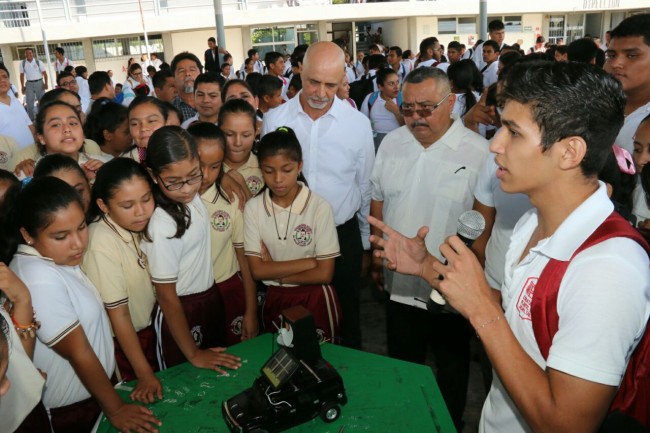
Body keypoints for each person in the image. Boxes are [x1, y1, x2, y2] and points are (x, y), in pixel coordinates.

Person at [369, 61, 649, 433]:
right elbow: (517, 312)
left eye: (513, 132)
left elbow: (566, 424)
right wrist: (426, 268)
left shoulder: (607, 267)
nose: (495, 145)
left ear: (569, 152)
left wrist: (482, 311)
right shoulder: (531, 223)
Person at [369, 66, 488, 430]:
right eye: (408, 109)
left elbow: (483, 228)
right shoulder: (392, 142)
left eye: (426, 108)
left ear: (451, 102)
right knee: (404, 366)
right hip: (399, 284)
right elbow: (377, 200)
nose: (416, 118)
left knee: (452, 371)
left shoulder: (479, 152)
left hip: (450, 288)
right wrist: (375, 259)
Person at [8, 176, 162, 433]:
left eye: (81, 227)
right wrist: (116, 409)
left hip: (94, 397)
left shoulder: (55, 262)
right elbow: (78, 351)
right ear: (27, 235)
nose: (78, 243)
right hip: (69, 412)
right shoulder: (38, 277)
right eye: (61, 236)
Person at [262, 41, 375, 348]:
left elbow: (364, 186)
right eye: (313, 82)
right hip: (288, 241)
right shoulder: (275, 120)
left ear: (343, 81)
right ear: (299, 70)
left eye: (331, 85)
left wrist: (364, 242)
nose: (321, 93)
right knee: (292, 325)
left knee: (347, 320)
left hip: (342, 237)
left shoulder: (358, 125)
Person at [142, 126, 242, 371]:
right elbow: (166, 296)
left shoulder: (189, 196)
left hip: (208, 298)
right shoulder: (162, 223)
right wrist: (194, 353)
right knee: (182, 378)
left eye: (194, 175)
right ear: (153, 175)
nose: (187, 188)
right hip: (180, 310)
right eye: (174, 182)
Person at [244, 127, 342, 341]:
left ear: (300, 167)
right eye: (269, 171)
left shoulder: (319, 207)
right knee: (277, 363)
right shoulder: (253, 208)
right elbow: (257, 271)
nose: (278, 179)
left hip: (314, 297)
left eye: (286, 170)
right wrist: (310, 262)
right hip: (274, 298)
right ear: (260, 169)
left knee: (319, 364)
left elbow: (325, 274)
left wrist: (276, 274)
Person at [82, 158, 162, 402]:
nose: (141, 211)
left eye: (147, 199)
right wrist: (144, 373)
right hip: (126, 344)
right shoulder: (101, 242)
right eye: (127, 205)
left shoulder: (138, 224)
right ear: (103, 205)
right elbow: (119, 316)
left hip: (150, 331)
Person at [188, 122, 258, 345]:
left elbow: (244, 260)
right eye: (199, 166)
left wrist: (251, 311)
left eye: (215, 167)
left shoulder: (231, 201)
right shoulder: (171, 201)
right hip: (190, 296)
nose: (205, 175)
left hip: (228, 291)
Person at [219, 98, 263, 199]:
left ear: (256, 132)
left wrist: (244, 189)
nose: (237, 143)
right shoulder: (207, 169)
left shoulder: (266, 168)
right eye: (229, 134)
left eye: (246, 135)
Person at [360, 67, 404, 151]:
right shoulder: (370, 99)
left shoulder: (404, 99)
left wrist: (396, 111)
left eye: (397, 82)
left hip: (398, 142)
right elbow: (363, 123)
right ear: (380, 86)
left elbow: (410, 127)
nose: (396, 87)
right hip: (375, 142)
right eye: (391, 84)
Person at [123, 96, 169, 165]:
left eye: (151, 121)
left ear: (166, 123)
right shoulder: (127, 164)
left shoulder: (184, 153)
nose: (143, 128)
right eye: (135, 124)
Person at [0, 63, 35, 149]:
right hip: (12, 161)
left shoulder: (16, 102)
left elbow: (30, 125)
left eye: (5, 77)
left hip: (33, 153)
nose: (2, 80)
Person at [171, 52, 202, 122]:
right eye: (181, 71)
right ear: (173, 79)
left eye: (192, 70)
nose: (188, 74)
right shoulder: (170, 110)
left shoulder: (214, 103)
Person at [19, 48, 48, 121]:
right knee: (29, 102)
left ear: (33, 53)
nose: (28, 54)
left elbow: (44, 73)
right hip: (29, 84)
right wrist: (22, 86)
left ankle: (43, 118)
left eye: (30, 53)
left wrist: (46, 83)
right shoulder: (23, 63)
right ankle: (31, 120)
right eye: (26, 53)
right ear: (25, 54)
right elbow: (21, 75)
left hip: (39, 83)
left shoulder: (38, 62)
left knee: (42, 101)